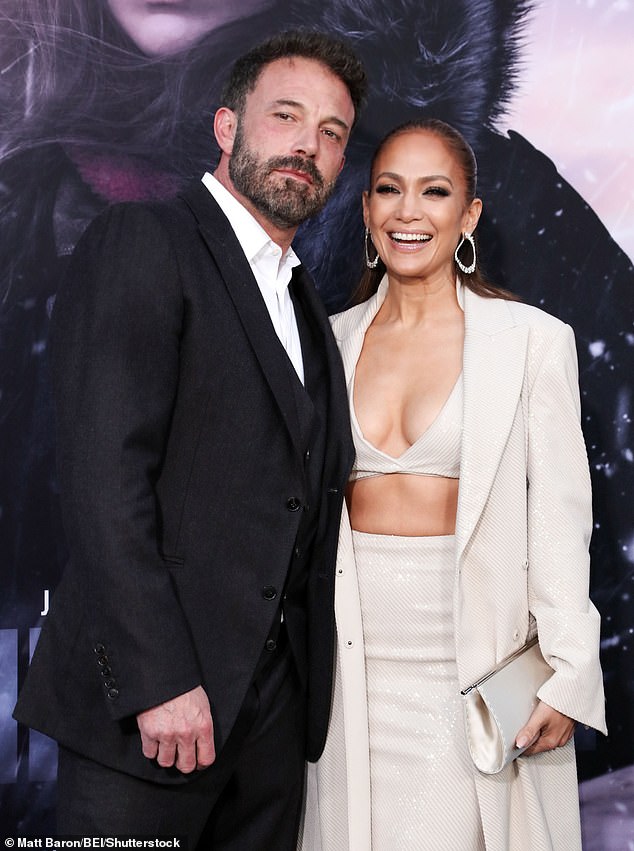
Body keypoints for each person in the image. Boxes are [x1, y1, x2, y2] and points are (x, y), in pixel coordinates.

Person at [13, 29, 366, 848]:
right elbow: (105, 480)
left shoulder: (308, 304)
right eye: (286, 116)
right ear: (226, 126)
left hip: (272, 728)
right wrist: (158, 680)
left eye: (331, 132)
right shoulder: (145, 242)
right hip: (146, 718)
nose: (306, 147)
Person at [300, 119, 607, 850]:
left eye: (435, 192)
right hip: (346, 674)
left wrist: (569, 671)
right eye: (389, 190)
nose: (410, 212)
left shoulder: (531, 341)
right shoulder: (324, 340)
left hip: (473, 670)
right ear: (367, 209)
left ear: (468, 215)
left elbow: (562, 522)